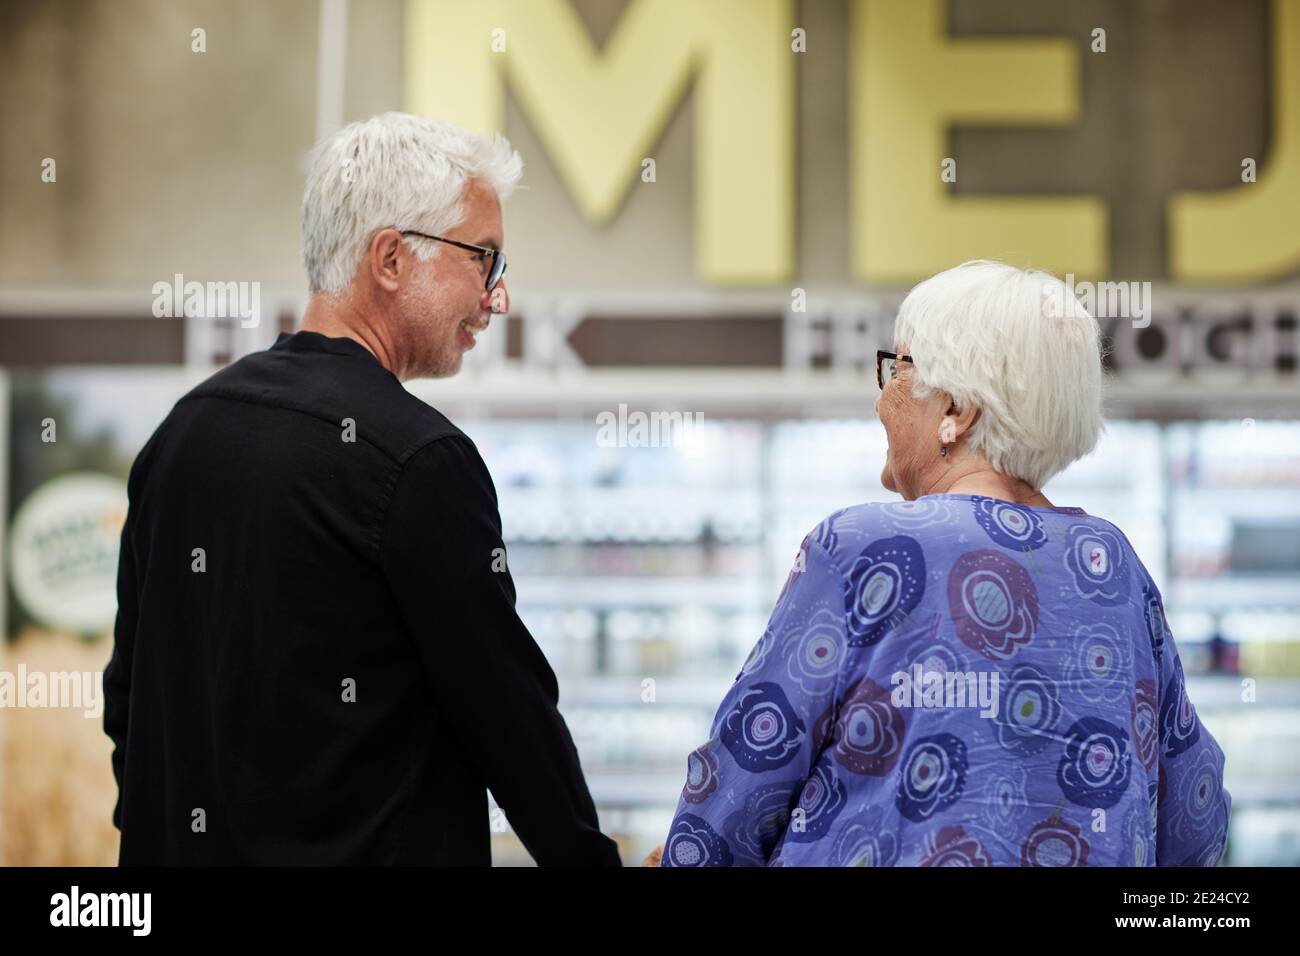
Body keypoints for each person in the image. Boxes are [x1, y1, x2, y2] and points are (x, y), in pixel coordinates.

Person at [104, 112, 621, 866]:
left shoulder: (180, 435)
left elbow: (130, 703)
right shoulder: (420, 460)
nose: (497, 296)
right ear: (389, 259)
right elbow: (509, 720)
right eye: (485, 260)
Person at [659, 260, 1230, 867]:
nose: (882, 399)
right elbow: (1195, 819)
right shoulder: (1113, 565)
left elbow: (740, 783)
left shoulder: (864, 548)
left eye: (898, 369)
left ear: (956, 410)